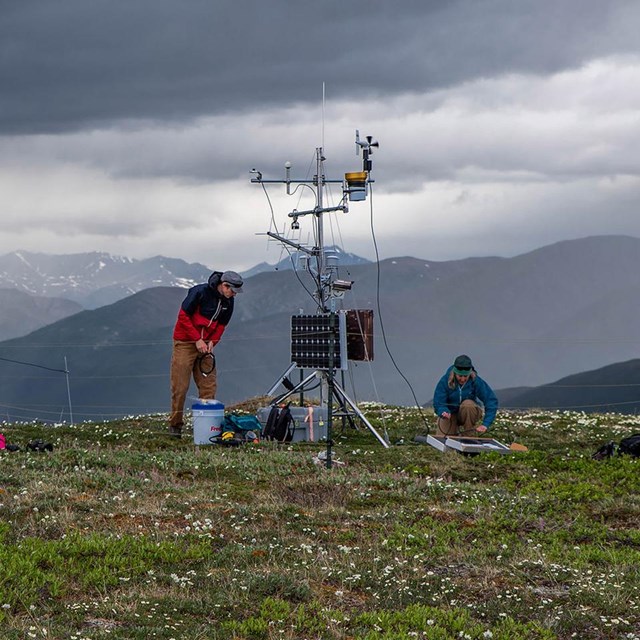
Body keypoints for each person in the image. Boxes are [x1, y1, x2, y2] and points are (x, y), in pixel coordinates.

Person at [168, 270, 243, 437]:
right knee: (180, 386)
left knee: (208, 385)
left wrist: (212, 342)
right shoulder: (199, 292)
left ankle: (207, 427)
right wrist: (197, 339)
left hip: (206, 346)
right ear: (224, 285)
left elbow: (222, 325)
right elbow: (183, 317)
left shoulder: (228, 302)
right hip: (185, 343)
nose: (234, 295)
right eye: (232, 291)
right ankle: (175, 425)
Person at [433, 354, 498, 437]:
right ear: (454, 373)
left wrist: (485, 424)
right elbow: (439, 402)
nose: (463, 379)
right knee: (442, 440)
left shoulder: (476, 381)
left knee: (468, 405)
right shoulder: (445, 381)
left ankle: (468, 436)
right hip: (450, 414)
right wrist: (443, 411)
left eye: (465, 376)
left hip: (468, 413)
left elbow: (491, 400)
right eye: (460, 376)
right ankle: (455, 434)